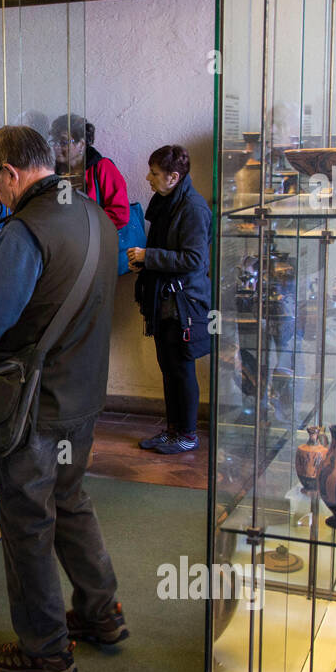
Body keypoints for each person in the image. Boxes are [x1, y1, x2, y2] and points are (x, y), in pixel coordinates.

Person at [0, 125, 126, 672]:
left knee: (26, 522)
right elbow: (62, 263)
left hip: (32, 407)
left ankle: (46, 650)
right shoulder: (92, 214)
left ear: (12, 173)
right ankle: (101, 614)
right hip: (85, 396)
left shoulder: (24, 231)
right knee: (70, 502)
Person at [129, 145, 212, 455]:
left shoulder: (192, 208)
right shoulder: (167, 202)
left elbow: (194, 259)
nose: (148, 178)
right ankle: (174, 430)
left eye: (154, 173)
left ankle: (187, 434)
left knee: (180, 369)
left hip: (183, 305)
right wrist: (146, 262)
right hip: (165, 300)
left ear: (174, 177)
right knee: (169, 367)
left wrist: (149, 256)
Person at [50, 113, 131, 230]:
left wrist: (82, 225)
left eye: (63, 142)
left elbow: (120, 213)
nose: (56, 147)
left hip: (96, 241)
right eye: (54, 141)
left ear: (81, 144)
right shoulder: (54, 172)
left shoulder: (102, 167)